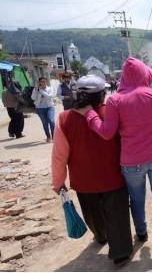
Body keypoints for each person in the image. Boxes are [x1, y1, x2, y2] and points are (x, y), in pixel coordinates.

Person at [79, 58, 152, 264]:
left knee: (137, 201)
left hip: (131, 163)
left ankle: (141, 233)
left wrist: (90, 115)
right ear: (143, 74)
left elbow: (106, 133)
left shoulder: (115, 100)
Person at [51, 75, 133, 267]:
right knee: (117, 214)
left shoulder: (64, 119)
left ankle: (101, 236)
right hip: (113, 177)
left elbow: (59, 155)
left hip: (83, 181)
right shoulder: (112, 114)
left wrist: (58, 181)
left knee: (93, 214)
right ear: (101, 95)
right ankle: (120, 253)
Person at [31, 77, 55, 142]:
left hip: (50, 107)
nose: (43, 83)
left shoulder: (50, 88)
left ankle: (54, 136)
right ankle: (48, 136)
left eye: (44, 81)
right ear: (39, 82)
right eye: (41, 81)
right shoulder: (36, 89)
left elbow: (49, 96)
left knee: (52, 121)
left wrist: (41, 91)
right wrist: (36, 90)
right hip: (40, 108)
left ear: (46, 82)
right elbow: (33, 98)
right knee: (45, 123)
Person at [2, 74, 24, 139]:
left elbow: (3, 101)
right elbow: (20, 99)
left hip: (9, 108)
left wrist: (7, 105)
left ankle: (11, 132)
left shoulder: (4, 92)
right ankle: (18, 134)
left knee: (13, 120)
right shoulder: (15, 92)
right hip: (16, 107)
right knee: (19, 120)